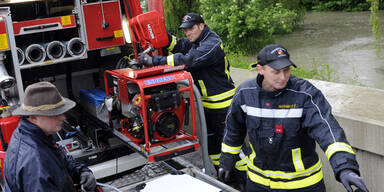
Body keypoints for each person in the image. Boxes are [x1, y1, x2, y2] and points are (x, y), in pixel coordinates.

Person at [218, 44, 369, 192]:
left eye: (286, 70)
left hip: (302, 185)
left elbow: (328, 131)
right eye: (276, 72)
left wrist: (345, 168)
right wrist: (226, 162)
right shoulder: (244, 94)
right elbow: (233, 131)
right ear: (260, 69)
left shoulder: (305, 94)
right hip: (258, 183)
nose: (282, 77)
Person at [139, 13, 236, 168]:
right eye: (185, 30)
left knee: (231, 146)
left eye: (191, 28)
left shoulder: (211, 43)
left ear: (201, 26)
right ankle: (222, 174)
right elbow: (178, 45)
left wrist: (153, 61)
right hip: (208, 106)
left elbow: (188, 60)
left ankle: (242, 179)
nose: (187, 33)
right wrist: (158, 33)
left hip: (223, 106)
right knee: (213, 146)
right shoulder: (196, 41)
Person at [4, 81, 97, 192]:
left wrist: (80, 171)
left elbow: (58, 157)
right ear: (33, 117)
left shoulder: (33, 134)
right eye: (55, 114)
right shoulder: (35, 163)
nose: (63, 117)